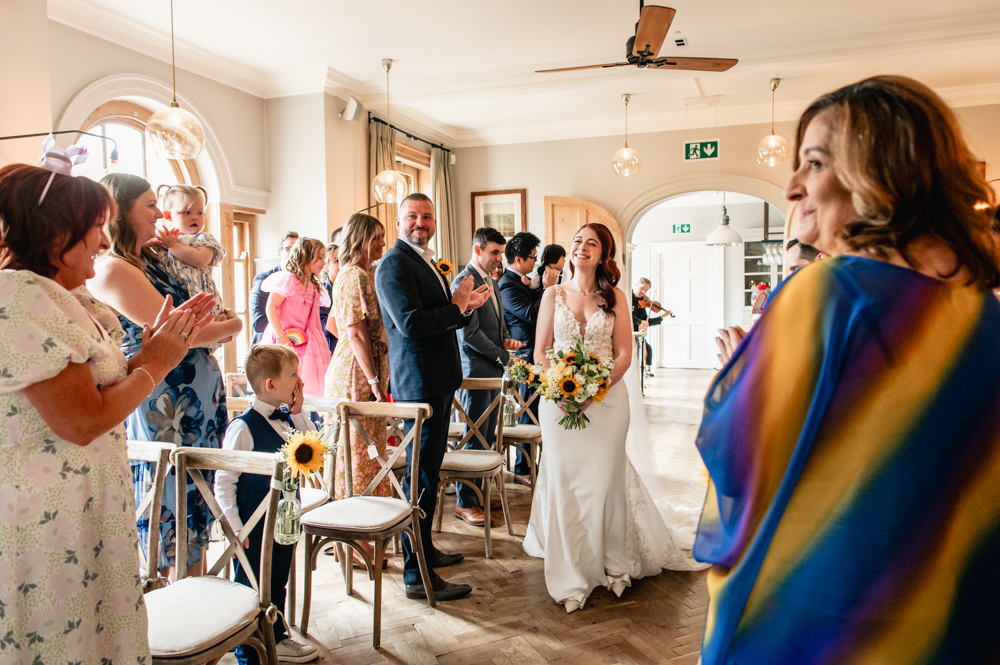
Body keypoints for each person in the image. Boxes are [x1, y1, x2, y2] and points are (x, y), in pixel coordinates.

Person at [699, 76, 1000, 665]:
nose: (792, 185)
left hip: (826, 608)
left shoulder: (831, 292)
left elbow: (740, 456)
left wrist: (740, 375)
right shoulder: (979, 306)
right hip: (949, 605)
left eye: (812, 162)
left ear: (878, 171)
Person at [0, 161, 210, 663]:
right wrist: (156, 365)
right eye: (95, 228)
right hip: (50, 517)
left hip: (86, 503)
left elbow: (95, 384)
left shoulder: (59, 294)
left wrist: (152, 351)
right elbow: (81, 420)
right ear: (54, 233)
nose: (103, 240)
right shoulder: (21, 296)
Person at [523, 223, 705, 614]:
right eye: (577, 240)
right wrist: (561, 388)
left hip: (607, 403)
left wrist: (595, 389)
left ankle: (613, 562)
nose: (581, 246)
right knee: (564, 485)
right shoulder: (551, 295)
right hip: (559, 403)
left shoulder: (615, 297)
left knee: (604, 483)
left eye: (592, 242)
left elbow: (624, 352)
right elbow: (541, 352)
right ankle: (570, 574)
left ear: (604, 254)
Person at [89, 173, 243, 578]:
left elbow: (194, 317)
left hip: (194, 398)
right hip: (164, 401)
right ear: (121, 212)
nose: (160, 213)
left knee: (197, 502)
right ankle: (179, 612)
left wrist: (215, 326)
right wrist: (232, 326)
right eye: (150, 205)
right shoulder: (114, 269)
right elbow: (181, 332)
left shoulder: (152, 258)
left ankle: (203, 605)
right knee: (173, 504)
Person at [375, 192, 491, 602]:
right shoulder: (393, 264)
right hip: (419, 384)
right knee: (420, 477)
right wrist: (456, 306)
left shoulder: (424, 260)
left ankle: (424, 550)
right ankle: (414, 573)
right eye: (412, 216)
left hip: (437, 380)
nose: (420, 222)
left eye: (427, 216)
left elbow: (438, 317)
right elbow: (409, 324)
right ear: (398, 220)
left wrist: (462, 307)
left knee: (430, 473)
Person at [215, 345, 319, 665]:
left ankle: (276, 638)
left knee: (276, 581)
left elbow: (313, 453)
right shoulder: (243, 428)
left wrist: (299, 411)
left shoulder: (287, 421)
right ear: (271, 385)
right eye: (293, 375)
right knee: (251, 586)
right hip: (253, 525)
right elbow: (224, 482)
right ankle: (248, 649)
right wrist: (235, 526)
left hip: (284, 519)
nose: (299, 381)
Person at [324, 214, 392, 566]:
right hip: (354, 375)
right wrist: (375, 381)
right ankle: (352, 542)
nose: (383, 241)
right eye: (377, 236)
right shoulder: (353, 274)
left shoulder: (364, 274)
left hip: (365, 371)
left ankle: (362, 536)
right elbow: (353, 332)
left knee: (369, 455)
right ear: (361, 238)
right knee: (357, 458)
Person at [452, 227, 524, 526]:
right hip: (475, 372)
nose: (499, 258)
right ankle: (464, 502)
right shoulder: (463, 281)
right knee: (473, 438)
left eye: (500, 253)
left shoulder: (491, 281)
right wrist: (502, 355)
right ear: (478, 250)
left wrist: (506, 340)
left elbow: (499, 322)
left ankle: (478, 494)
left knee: (488, 437)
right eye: (494, 252)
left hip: (492, 369)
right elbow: (468, 334)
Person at [498, 232, 558, 486]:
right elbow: (533, 316)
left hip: (537, 353)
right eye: (533, 257)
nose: (536, 262)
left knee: (537, 411)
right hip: (524, 356)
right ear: (519, 258)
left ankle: (531, 463)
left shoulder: (524, 281)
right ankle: (522, 469)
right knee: (527, 412)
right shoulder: (507, 285)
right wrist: (545, 288)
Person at [261, 238, 332, 397]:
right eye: (319, 257)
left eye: (324, 257)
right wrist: (281, 337)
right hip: (282, 340)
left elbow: (313, 323)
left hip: (303, 343)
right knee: (280, 385)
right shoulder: (288, 279)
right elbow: (271, 307)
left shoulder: (314, 287)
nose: (323, 262)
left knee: (300, 389)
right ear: (306, 256)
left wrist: (316, 347)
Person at [155, 184, 226, 319]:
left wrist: (173, 245)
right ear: (169, 216)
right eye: (186, 212)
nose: (194, 217)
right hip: (173, 296)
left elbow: (200, 259)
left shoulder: (203, 238)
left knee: (208, 331)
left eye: (199, 213)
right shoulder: (165, 239)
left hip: (200, 295)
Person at [249, 232, 299, 345]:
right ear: (279, 254)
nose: (293, 254)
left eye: (297, 250)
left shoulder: (304, 283)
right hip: (269, 349)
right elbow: (258, 323)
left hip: (297, 345)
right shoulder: (264, 280)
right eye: (288, 249)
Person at [631, 277, 670, 377]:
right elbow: (628, 315)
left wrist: (662, 316)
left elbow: (647, 322)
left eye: (646, 290)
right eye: (642, 288)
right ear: (636, 284)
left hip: (638, 333)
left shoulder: (643, 304)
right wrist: (640, 321)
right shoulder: (628, 297)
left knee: (647, 348)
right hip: (628, 332)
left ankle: (646, 370)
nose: (643, 292)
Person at [318, 242, 340, 353]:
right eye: (336, 261)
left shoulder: (349, 287)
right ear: (326, 267)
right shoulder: (321, 292)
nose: (341, 265)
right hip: (331, 348)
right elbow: (325, 328)